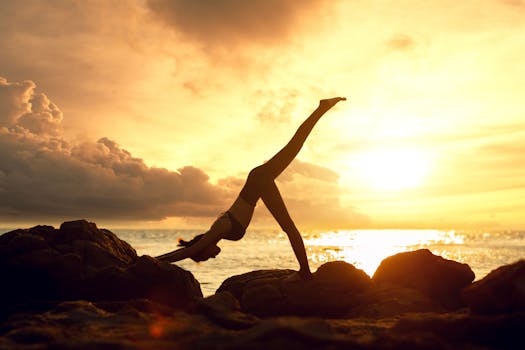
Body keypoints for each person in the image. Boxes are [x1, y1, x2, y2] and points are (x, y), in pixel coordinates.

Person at [156, 97, 346, 279]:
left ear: (203, 248)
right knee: (294, 148)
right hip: (258, 181)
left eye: (206, 256)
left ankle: (305, 273)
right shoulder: (219, 233)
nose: (212, 257)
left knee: (289, 226)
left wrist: (153, 260)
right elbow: (192, 249)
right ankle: (322, 108)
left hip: (259, 180)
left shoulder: (216, 231)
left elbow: (189, 251)